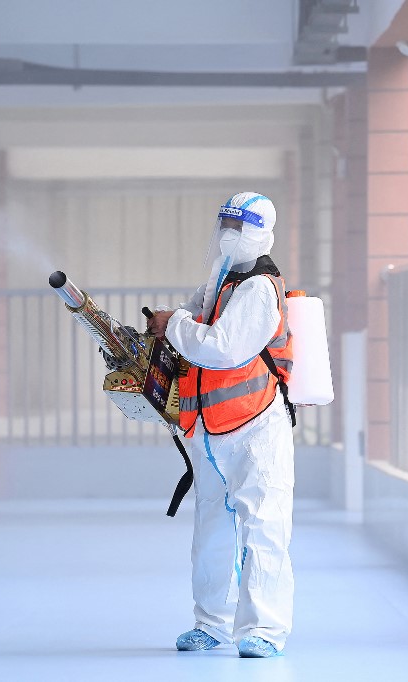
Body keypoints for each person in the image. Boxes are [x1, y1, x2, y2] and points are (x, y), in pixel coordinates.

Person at [147, 192, 295, 659]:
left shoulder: (258, 288)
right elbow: (193, 318)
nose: (230, 237)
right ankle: (209, 622)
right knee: (211, 526)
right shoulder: (221, 278)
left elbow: (224, 348)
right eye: (226, 226)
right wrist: (169, 321)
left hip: (256, 427)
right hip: (210, 430)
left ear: (263, 234)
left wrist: (174, 326)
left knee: (263, 525)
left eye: (241, 228)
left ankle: (264, 631)